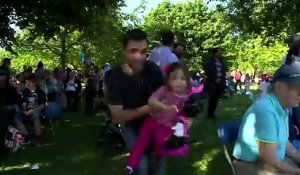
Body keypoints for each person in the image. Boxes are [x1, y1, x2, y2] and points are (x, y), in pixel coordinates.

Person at [104, 29, 164, 175]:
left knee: (157, 165)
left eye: (143, 51)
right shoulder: (113, 76)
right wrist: (149, 108)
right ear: (123, 50)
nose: (139, 57)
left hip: (155, 123)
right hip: (131, 126)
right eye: (133, 51)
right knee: (141, 167)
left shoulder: (153, 69)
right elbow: (117, 116)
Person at [125, 62, 198, 174]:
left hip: (165, 126)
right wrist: (164, 107)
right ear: (168, 79)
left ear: (188, 81)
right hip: (151, 121)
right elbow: (151, 100)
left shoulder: (186, 96)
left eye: (183, 78)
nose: (178, 82)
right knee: (140, 142)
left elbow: (186, 113)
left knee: (161, 142)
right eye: (174, 78)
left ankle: (158, 157)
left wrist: (188, 120)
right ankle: (130, 166)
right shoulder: (164, 90)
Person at [233, 60, 300, 175]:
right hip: (253, 166)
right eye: (298, 89)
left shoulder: (282, 109)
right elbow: (268, 162)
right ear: (280, 87)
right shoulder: (265, 110)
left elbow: (284, 143)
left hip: (273, 162)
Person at [19, 74, 46, 145]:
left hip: (38, 110)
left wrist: (33, 110)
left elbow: (42, 105)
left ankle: (38, 137)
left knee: (35, 115)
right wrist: (24, 110)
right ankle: (25, 136)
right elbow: (24, 103)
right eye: (26, 82)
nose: (27, 84)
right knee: (18, 115)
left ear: (34, 83)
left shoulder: (40, 92)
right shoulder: (25, 91)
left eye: (29, 82)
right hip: (28, 110)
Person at [203, 47, 228, 119]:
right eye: (219, 52)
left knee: (216, 99)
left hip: (219, 84)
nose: (220, 53)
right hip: (212, 83)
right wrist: (212, 77)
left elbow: (223, 71)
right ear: (215, 53)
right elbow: (207, 68)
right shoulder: (210, 62)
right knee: (212, 99)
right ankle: (209, 115)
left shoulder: (221, 61)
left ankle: (213, 114)